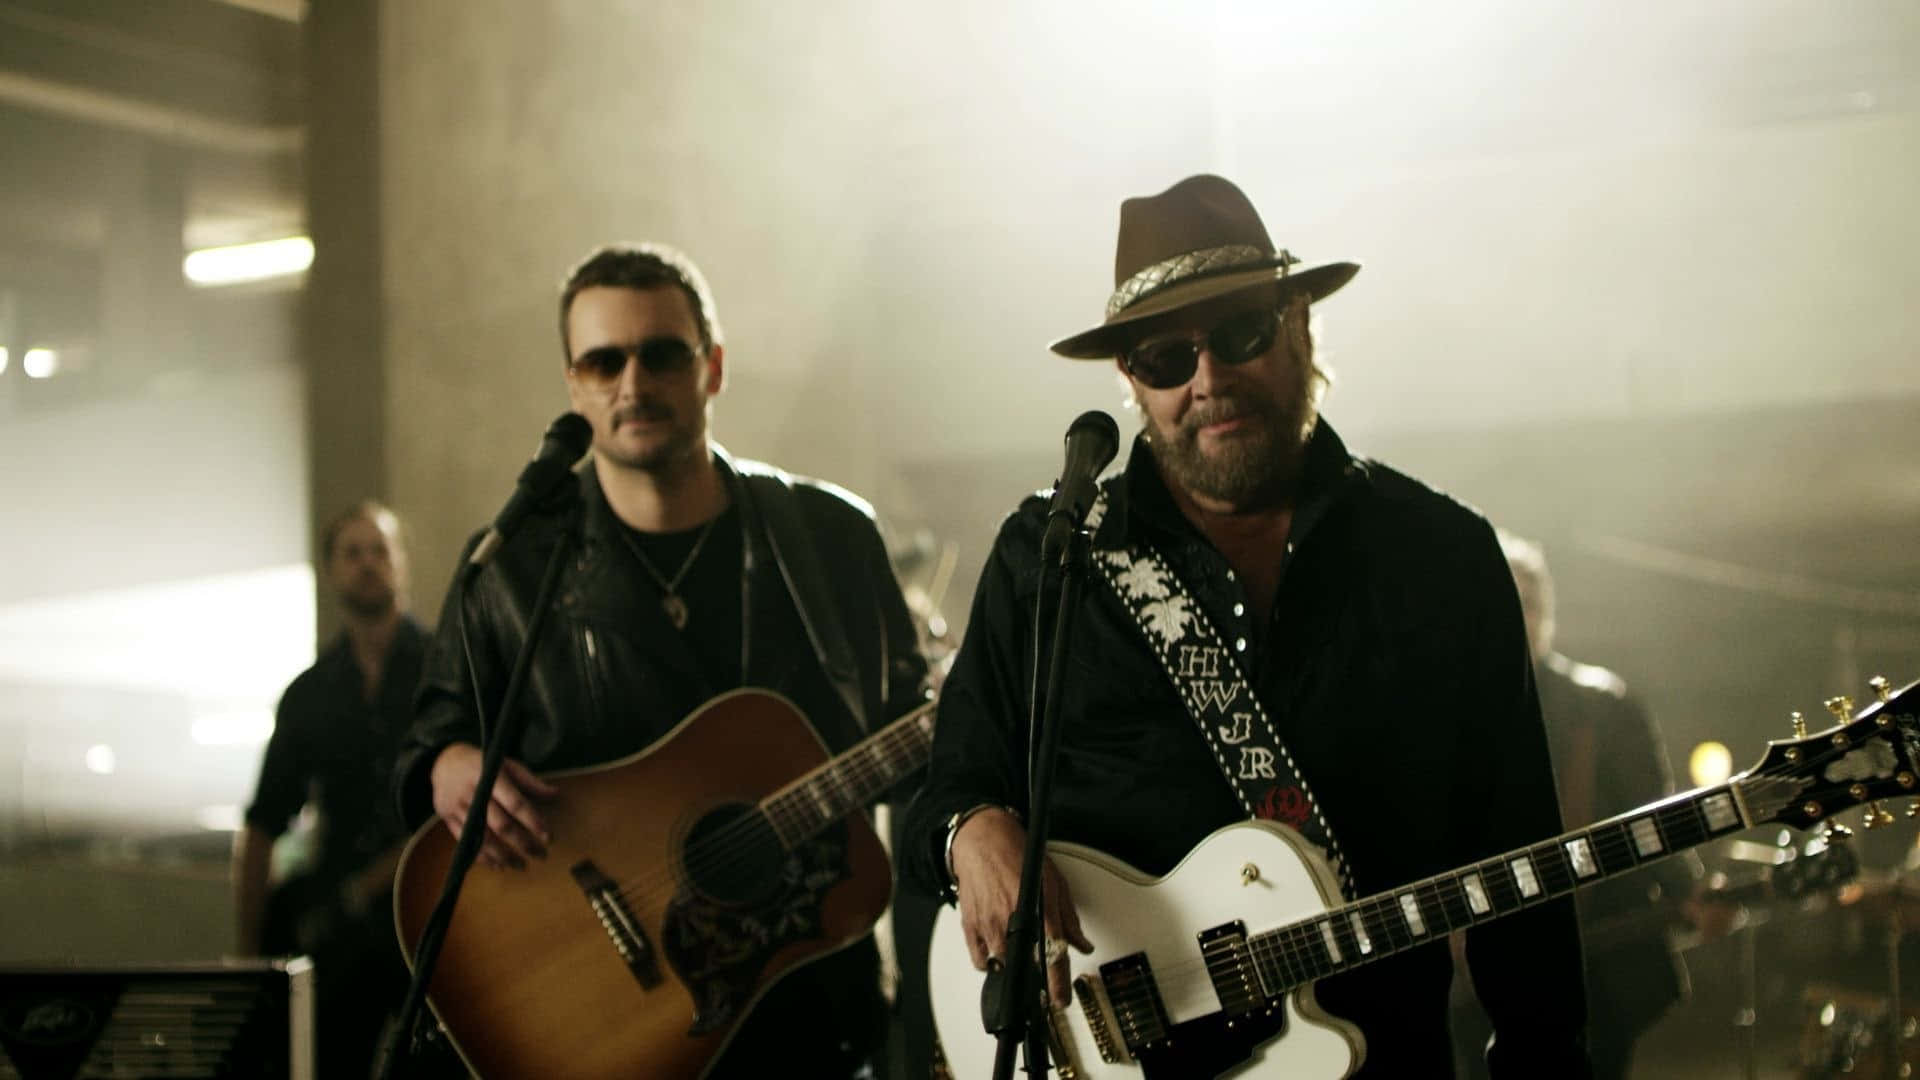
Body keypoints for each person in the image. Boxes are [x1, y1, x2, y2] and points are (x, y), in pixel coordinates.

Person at [902, 174, 1591, 1077]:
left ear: (1299, 323)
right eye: (1165, 358)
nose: (1209, 379)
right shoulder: (1051, 556)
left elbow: (1523, 873)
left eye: (1239, 334)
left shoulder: (1441, 558)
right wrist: (972, 829)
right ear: (1130, 380)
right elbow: (945, 794)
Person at [391, 243, 930, 1078]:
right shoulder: (512, 565)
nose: (633, 384)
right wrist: (446, 764)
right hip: (599, 1010)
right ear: (574, 385)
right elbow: (433, 734)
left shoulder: (831, 539)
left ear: (713, 367)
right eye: (603, 362)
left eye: (663, 355)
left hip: (805, 1010)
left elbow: (910, 728)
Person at [1450, 531, 1728, 1080]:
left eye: (1528, 603)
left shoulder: (1602, 707)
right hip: (1473, 986)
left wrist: (1687, 889)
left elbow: (1654, 818)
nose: (1517, 617)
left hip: (1594, 969)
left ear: (1547, 613)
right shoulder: (1443, 713)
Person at [234, 500, 426, 1078]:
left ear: (401, 563)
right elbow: (264, 822)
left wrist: (376, 880)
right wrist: (248, 960)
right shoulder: (309, 694)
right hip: (341, 931)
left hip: (430, 912)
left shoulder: (448, 670)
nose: (368, 564)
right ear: (331, 571)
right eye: (352, 553)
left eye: (379, 550)